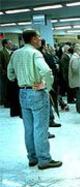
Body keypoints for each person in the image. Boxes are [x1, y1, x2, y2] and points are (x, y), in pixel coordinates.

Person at [7, 29, 62, 170]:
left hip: (23, 92)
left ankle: (32, 157)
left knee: (29, 128)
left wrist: (18, 78)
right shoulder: (35, 53)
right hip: (36, 92)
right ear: (32, 39)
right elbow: (46, 71)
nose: (40, 39)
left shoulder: (15, 53)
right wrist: (46, 85)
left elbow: (10, 74)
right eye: (38, 37)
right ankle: (44, 159)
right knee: (40, 128)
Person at [0, 38, 13, 107]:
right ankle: (5, 102)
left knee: (8, 88)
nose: (11, 44)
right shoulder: (1, 52)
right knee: (4, 88)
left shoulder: (10, 52)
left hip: (9, 73)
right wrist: (3, 72)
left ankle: (8, 101)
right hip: (4, 74)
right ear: (5, 44)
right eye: (9, 43)